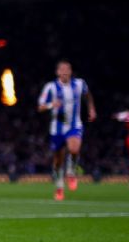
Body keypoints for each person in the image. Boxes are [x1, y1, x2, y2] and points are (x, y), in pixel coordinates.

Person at [37, 60, 96, 201]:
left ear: (70, 71)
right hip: (57, 128)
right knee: (58, 160)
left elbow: (88, 95)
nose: (64, 71)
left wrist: (91, 109)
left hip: (74, 125)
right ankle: (59, 187)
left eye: (67, 69)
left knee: (74, 149)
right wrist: (52, 104)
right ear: (57, 72)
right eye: (62, 69)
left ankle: (71, 171)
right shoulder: (50, 87)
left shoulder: (80, 84)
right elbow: (40, 107)